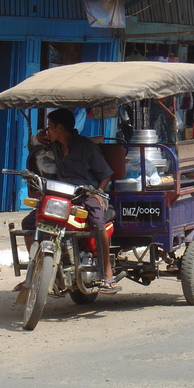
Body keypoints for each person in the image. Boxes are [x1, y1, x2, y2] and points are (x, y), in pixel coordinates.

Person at [16, 108, 121, 293]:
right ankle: (33, 273)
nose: (47, 130)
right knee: (29, 223)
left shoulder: (86, 147)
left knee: (98, 223)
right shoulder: (54, 145)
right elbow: (35, 145)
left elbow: (107, 174)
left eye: (49, 127)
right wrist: (37, 138)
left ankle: (107, 273)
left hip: (87, 195)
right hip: (63, 196)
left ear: (59, 127)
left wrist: (97, 192)